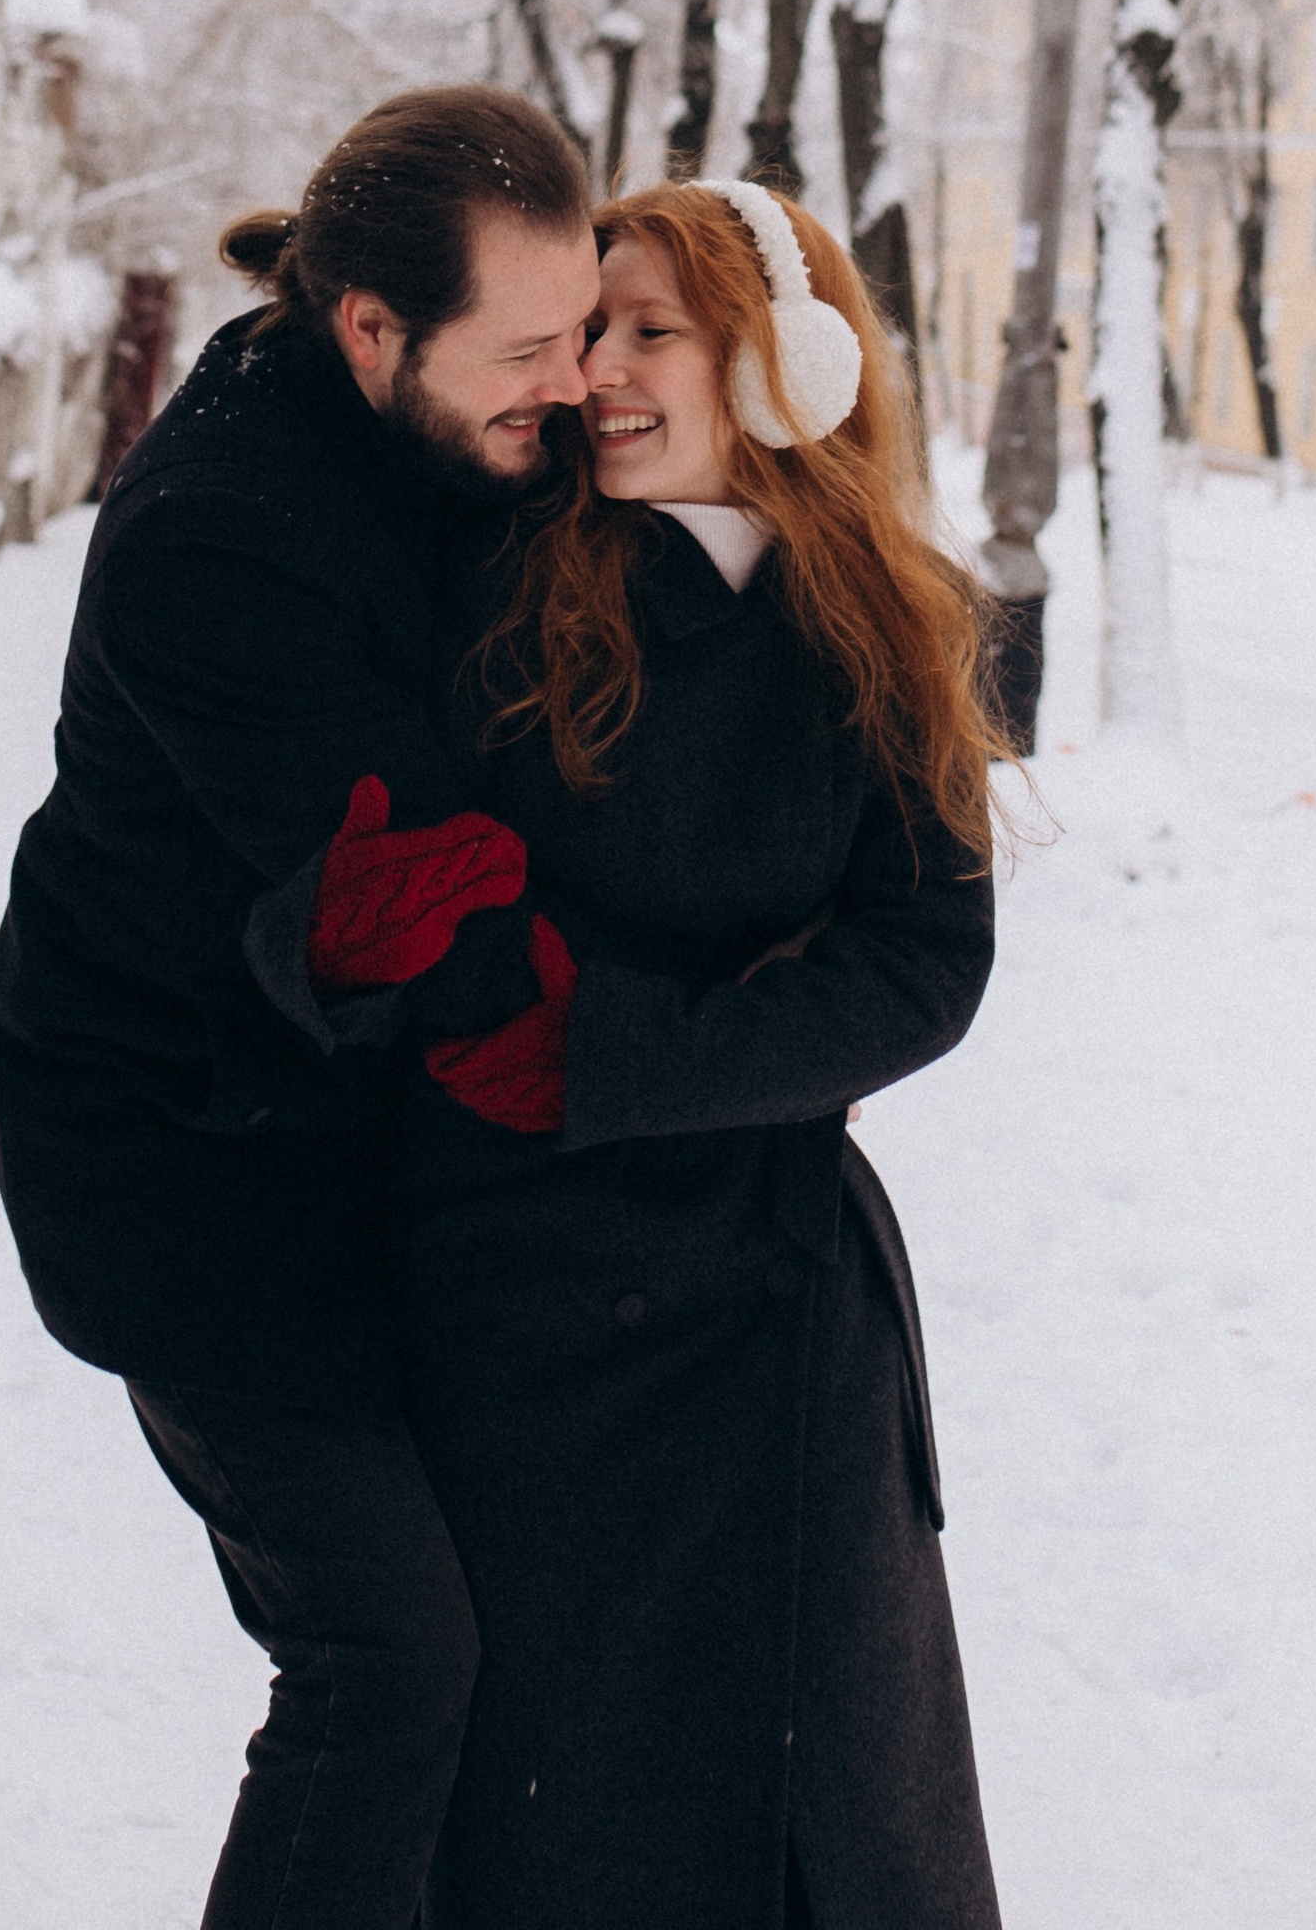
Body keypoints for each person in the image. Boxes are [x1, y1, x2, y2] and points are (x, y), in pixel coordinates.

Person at [0, 85, 599, 1930]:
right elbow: (438, 914)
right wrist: (710, 1030)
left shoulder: (435, 421)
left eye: (580, 334)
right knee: (387, 1659)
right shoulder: (221, 538)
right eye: (528, 347)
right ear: (371, 325)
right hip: (176, 1179)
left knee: (493, 1631)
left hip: (339, 1145)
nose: (564, 387)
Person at [390, 178, 1008, 1930]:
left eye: (651, 328)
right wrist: (697, 1025)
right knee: (559, 1826)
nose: (600, 372)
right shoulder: (503, 588)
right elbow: (457, 925)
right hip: (524, 1307)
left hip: (786, 1320)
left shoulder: (894, 625)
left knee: (830, 1836)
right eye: (593, 332)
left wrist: (621, 1050)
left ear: (789, 363)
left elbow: (924, 963)